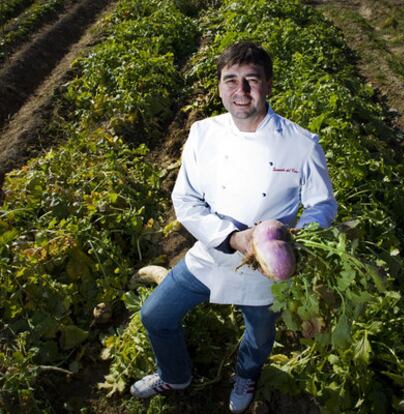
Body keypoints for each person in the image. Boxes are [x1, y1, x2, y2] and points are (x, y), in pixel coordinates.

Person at [130, 41, 337, 413]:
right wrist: (231, 237)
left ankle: (246, 375)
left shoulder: (301, 144)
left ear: (268, 85)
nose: (240, 91)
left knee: (259, 337)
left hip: (266, 269)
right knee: (156, 316)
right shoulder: (203, 133)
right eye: (231, 80)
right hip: (212, 255)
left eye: (251, 80)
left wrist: (298, 240)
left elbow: (322, 204)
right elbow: (186, 200)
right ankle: (175, 375)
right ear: (220, 85)